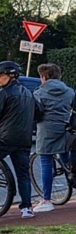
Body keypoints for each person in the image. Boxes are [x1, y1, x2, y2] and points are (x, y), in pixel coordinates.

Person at [33, 63, 74, 213]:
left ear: (43, 76)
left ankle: (46, 200)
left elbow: (36, 114)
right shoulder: (69, 91)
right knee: (65, 155)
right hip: (65, 127)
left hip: (47, 131)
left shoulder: (39, 93)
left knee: (46, 161)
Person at [0, 62, 39, 218]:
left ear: (10, 76)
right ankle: (27, 208)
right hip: (24, 139)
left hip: (5, 138)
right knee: (23, 174)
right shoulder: (29, 93)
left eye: (1, 76)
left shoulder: (4, 93)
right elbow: (39, 112)